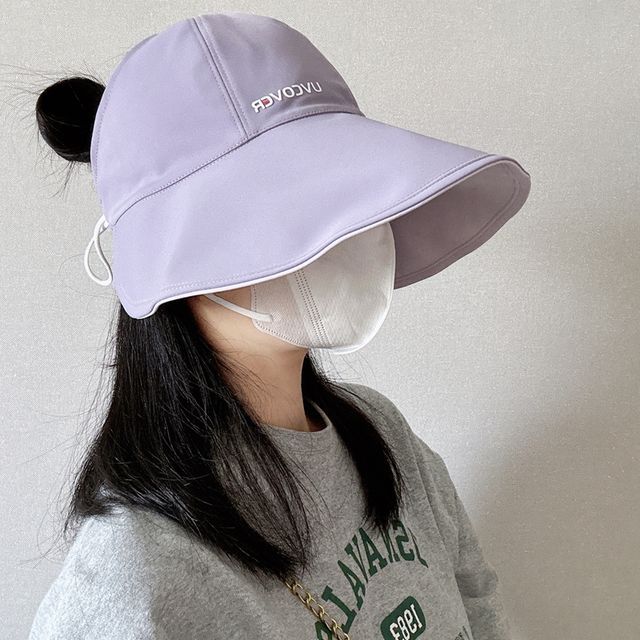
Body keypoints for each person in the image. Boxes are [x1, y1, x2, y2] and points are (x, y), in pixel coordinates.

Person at [27, 11, 531, 639]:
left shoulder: (381, 434)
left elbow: (481, 611)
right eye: (284, 207)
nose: (341, 232)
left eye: (346, 192)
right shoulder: (134, 581)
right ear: (171, 261)